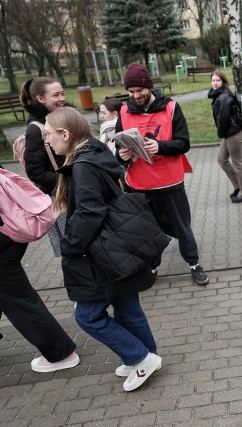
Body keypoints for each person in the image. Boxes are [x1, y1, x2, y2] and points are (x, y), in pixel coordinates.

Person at [47, 107, 162, 392]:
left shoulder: (82, 165)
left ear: (65, 134)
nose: (47, 140)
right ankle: (145, 356)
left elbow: (89, 212)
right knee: (126, 304)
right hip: (117, 243)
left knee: (88, 317)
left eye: (49, 134)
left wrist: (70, 246)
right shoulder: (94, 149)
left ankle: (140, 357)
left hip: (101, 249)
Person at [115, 63, 208, 286]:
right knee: (149, 231)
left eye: (140, 90)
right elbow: (118, 147)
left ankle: (194, 264)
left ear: (149, 87)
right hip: (139, 185)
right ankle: (152, 267)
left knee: (182, 226)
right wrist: (122, 155)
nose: (135, 95)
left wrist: (161, 147)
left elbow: (183, 143)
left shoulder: (171, 108)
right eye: (131, 92)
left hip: (169, 182)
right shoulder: (124, 111)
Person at [0, 165, 80, 373]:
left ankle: (61, 353)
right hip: (10, 236)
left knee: (19, 301)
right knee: (13, 295)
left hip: (4, 240)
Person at [19, 77, 68, 257]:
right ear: (41, 99)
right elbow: (35, 171)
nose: (61, 98)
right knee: (70, 245)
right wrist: (65, 180)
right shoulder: (36, 129)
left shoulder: (64, 117)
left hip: (77, 189)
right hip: (60, 195)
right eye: (56, 95)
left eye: (62, 93)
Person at [208, 70, 242, 203]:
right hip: (228, 133)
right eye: (213, 80)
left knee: (238, 163)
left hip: (234, 133)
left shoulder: (224, 97)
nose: (215, 83)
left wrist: (220, 133)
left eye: (218, 80)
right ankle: (238, 186)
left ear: (223, 82)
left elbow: (223, 119)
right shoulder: (218, 95)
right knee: (222, 159)